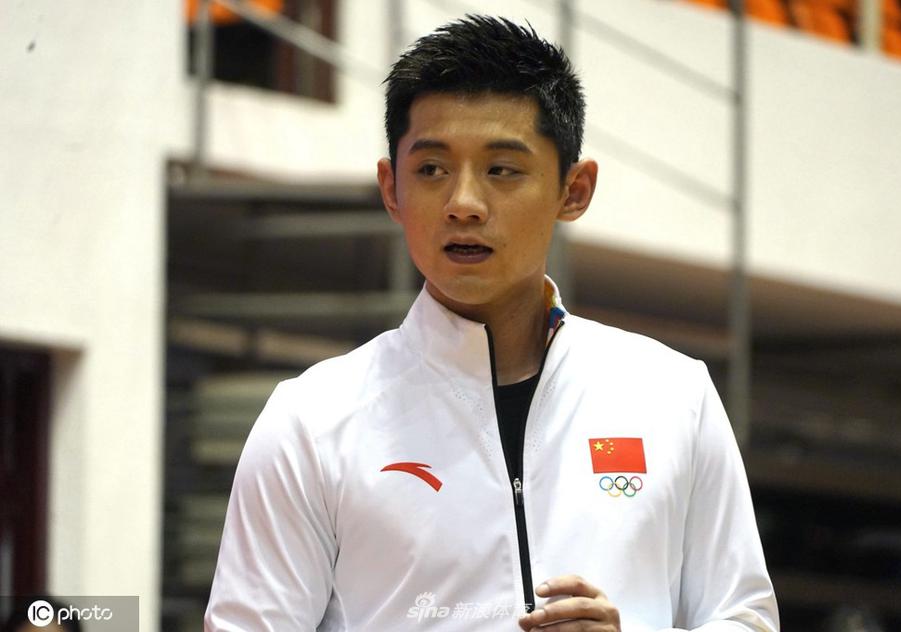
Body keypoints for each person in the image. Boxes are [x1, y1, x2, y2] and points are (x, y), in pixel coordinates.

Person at [205, 15, 779, 632]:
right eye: (431, 169)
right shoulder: (313, 420)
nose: (464, 204)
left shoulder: (673, 396)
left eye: (502, 169)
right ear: (391, 189)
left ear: (574, 190)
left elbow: (744, 617)